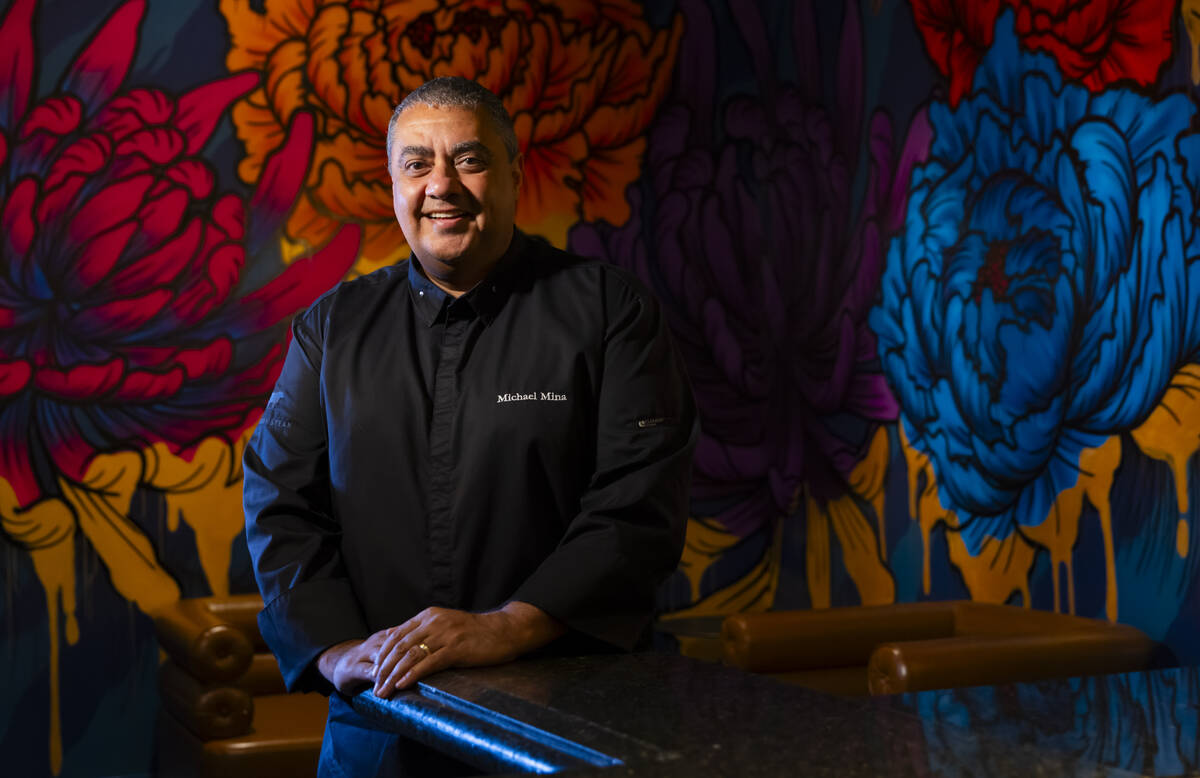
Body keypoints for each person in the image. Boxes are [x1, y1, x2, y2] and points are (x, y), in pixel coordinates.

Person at [243, 76, 697, 775]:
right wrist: (337, 652)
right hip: (380, 722)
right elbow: (281, 501)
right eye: (417, 163)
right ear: (393, 184)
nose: (442, 185)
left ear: (515, 173)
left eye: (470, 159)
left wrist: (507, 626)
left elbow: (638, 508)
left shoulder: (609, 312)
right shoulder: (334, 328)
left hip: (568, 716)